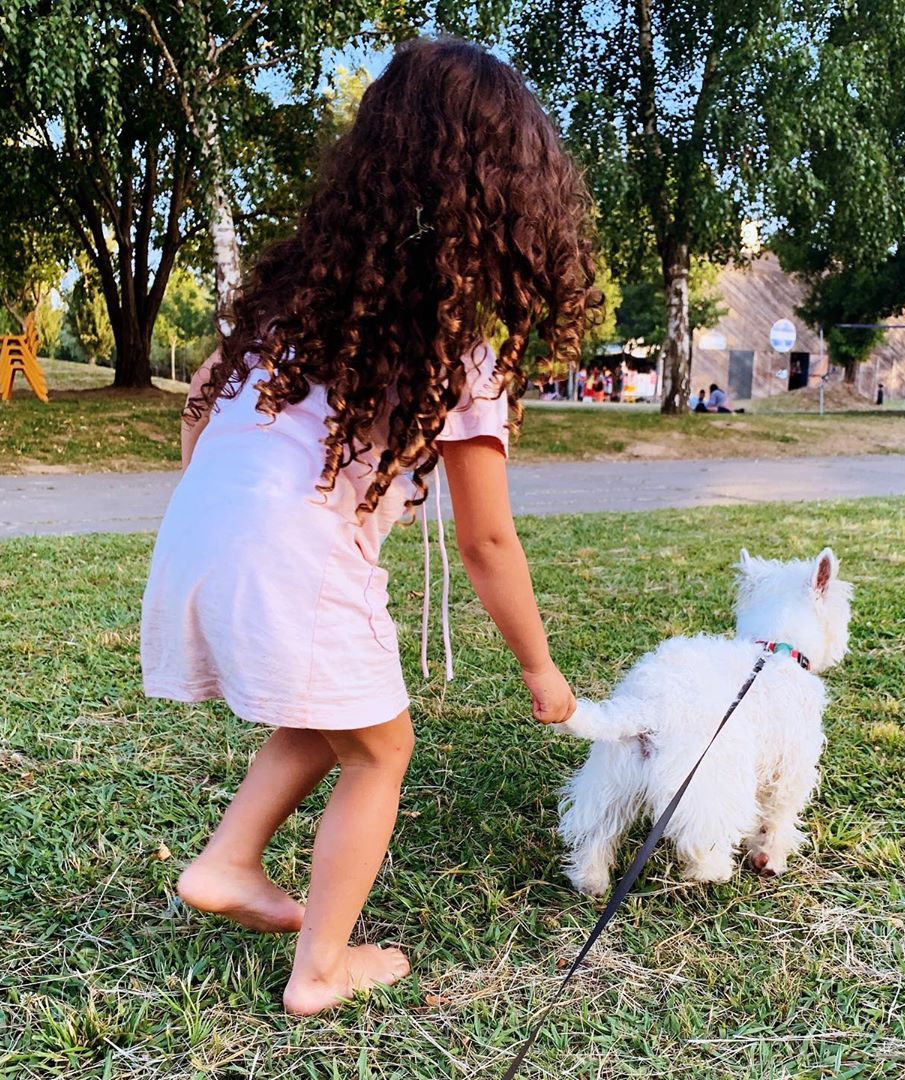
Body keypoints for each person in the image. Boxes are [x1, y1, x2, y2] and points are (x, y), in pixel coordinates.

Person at [140, 37, 594, 1016]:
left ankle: (227, 863)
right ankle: (320, 969)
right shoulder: (454, 346)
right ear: (508, 205)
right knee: (383, 749)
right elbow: (488, 546)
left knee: (329, 714)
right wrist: (539, 669)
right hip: (292, 556)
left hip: (199, 537)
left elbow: (197, 414)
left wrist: (228, 520)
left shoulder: (292, 305)